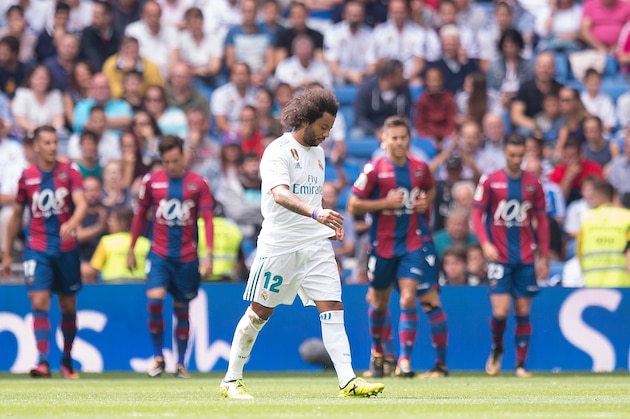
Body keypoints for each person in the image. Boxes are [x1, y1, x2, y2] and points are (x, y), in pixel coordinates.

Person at [219, 88, 385, 399]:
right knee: (258, 314)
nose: (326, 134)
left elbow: (313, 193)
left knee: (333, 307)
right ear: (305, 120)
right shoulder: (278, 151)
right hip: (281, 245)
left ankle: (347, 380)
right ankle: (231, 379)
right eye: (323, 127)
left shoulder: (320, 154)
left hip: (316, 243)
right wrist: (316, 212)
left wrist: (328, 219)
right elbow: (280, 194)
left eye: (331, 129)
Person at [347, 115, 448, 379]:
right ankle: (379, 355)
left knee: (407, 298)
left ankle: (404, 360)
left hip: (412, 244)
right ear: (384, 140)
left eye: (403, 137)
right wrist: (384, 203)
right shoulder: (374, 169)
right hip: (382, 246)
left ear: (409, 139)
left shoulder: (419, 168)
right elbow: (353, 205)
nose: (399, 142)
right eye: (394, 138)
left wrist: (425, 202)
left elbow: (430, 189)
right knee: (378, 304)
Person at [1, 125, 88, 379]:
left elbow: (82, 203)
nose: (52, 147)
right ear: (36, 146)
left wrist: (72, 223)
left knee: (68, 305)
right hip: (37, 248)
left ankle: (67, 360)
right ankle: (42, 362)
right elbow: (17, 215)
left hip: (66, 248)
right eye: (47, 143)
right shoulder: (26, 176)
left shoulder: (70, 172)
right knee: (38, 301)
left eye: (54, 143)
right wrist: (6, 254)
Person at [127, 135, 214, 378]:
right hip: (159, 255)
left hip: (187, 257)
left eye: (175, 161)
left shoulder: (199, 183)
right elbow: (140, 216)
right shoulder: (151, 182)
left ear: (183, 156)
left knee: (181, 309)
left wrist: (208, 254)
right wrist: (131, 247)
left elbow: (207, 221)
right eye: (166, 162)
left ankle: (181, 363)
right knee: (154, 302)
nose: (171, 166)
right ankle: (158, 357)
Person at [471, 133, 550, 378]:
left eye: (520, 155)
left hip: (526, 255)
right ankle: (497, 348)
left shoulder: (533, 183)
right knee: (501, 312)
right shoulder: (490, 180)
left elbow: (542, 220)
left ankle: (521, 365)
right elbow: (476, 215)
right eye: (512, 155)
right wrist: (485, 243)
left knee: (523, 310)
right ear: (505, 153)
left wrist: (543, 255)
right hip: (499, 256)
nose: (516, 160)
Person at [577, 178, 630, 287]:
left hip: (592, 281)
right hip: (622, 282)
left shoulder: (587, 218)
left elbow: (579, 251)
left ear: (600, 197)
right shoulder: (627, 217)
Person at [90, 206, 151, 282]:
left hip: (112, 289)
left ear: (123, 222)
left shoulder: (106, 242)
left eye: (112, 219)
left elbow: (93, 270)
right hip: (141, 288)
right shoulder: (146, 243)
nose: (109, 222)